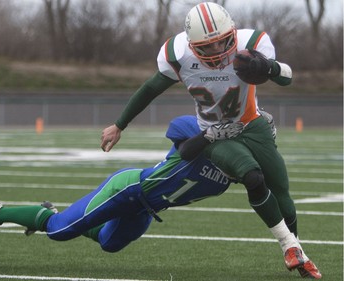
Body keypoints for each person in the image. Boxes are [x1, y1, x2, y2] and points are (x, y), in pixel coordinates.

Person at [100, 2, 321, 279]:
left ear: (232, 34)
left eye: (222, 43)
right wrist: (120, 124)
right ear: (192, 46)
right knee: (252, 177)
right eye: (208, 47)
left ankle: (297, 251)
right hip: (215, 133)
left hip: (252, 124)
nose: (217, 52)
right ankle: (288, 245)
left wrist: (268, 67)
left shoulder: (250, 43)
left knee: (281, 190)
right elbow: (151, 88)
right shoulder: (178, 55)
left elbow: (286, 78)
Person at [0, 115, 304, 276]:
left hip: (146, 210)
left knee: (109, 243)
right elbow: (179, 127)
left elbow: (274, 200)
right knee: (60, 232)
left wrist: (293, 244)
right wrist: (210, 134)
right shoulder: (203, 133)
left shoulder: (240, 173)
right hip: (129, 189)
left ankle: (62, 215)